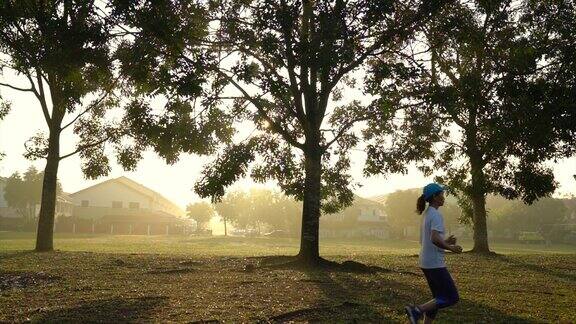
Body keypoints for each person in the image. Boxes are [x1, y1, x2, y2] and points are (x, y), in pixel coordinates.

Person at [404, 183, 462, 324]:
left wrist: (446, 241)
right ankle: (416, 310)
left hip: (426, 261)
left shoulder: (427, 214)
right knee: (451, 297)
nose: (444, 197)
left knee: (437, 297)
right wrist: (450, 247)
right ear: (435, 197)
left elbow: (429, 239)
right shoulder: (435, 215)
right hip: (434, 263)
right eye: (442, 194)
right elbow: (434, 238)